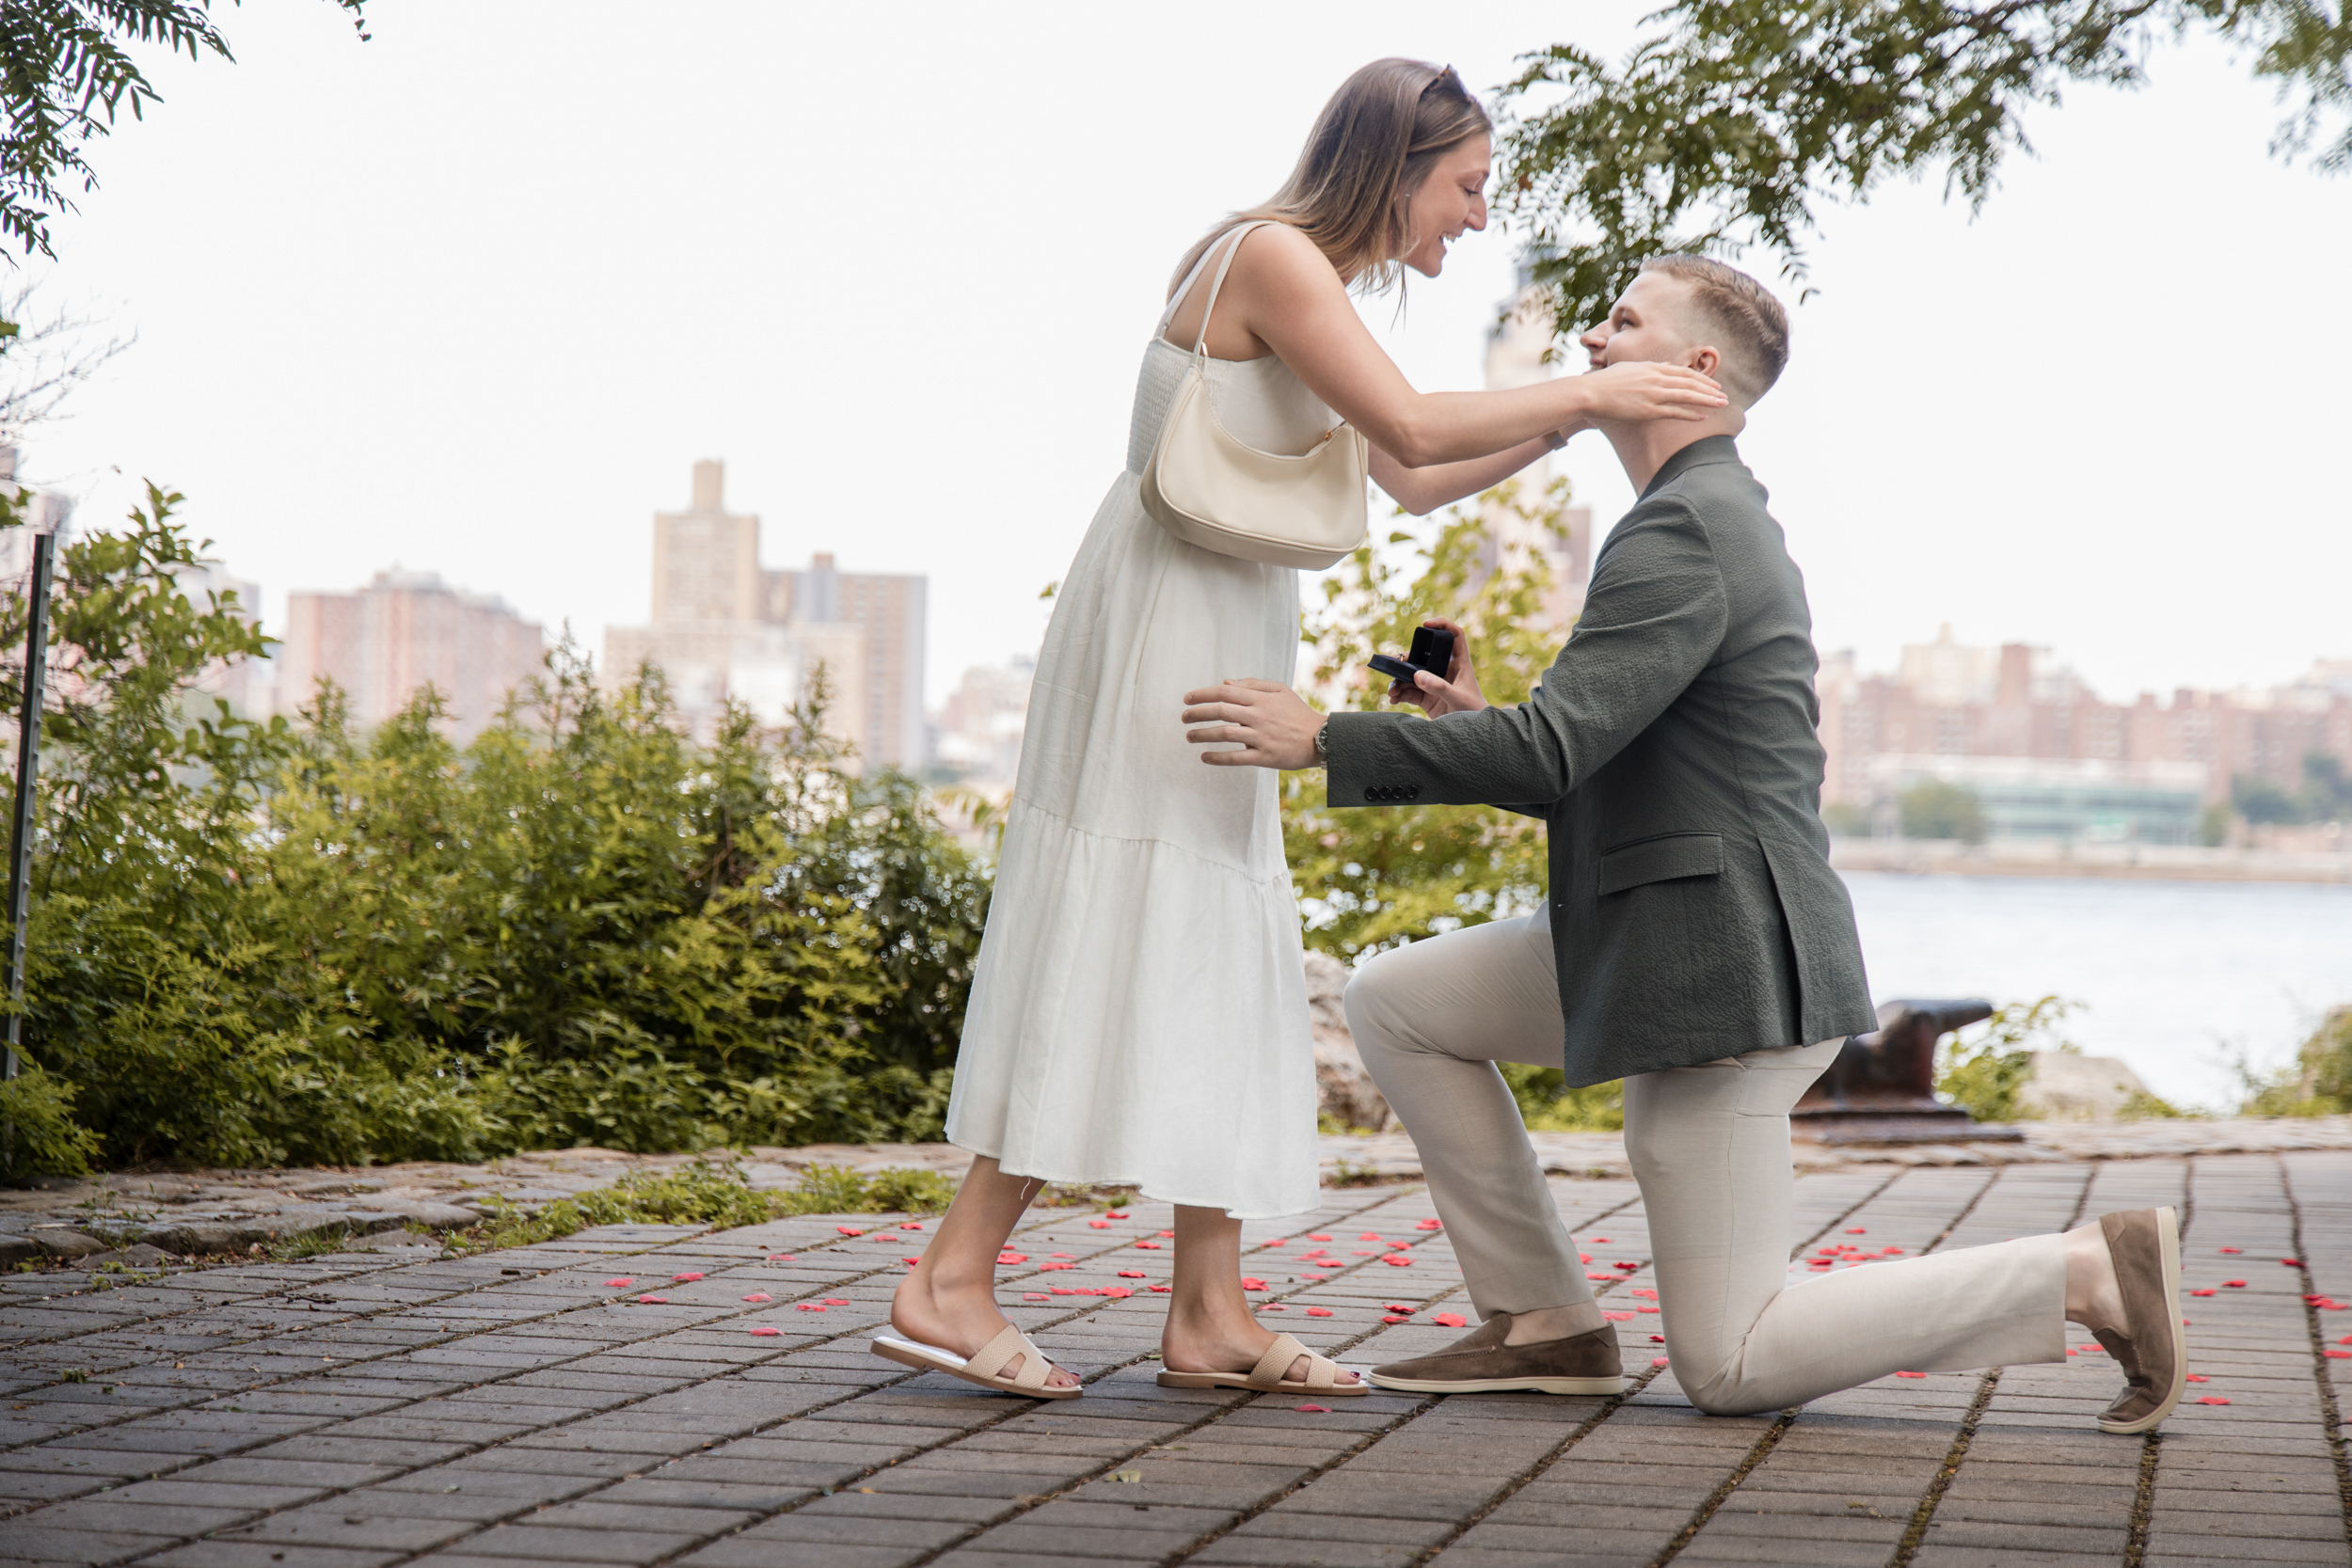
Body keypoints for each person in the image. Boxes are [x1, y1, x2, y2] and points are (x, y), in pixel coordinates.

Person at [1177, 256, 2187, 1433]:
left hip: (1726, 967)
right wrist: (1475, 722)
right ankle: (1542, 1319)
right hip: (1661, 925)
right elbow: (1594, 760)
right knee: (1401, 998)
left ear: (1694, 370)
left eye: (1621, 323)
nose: (1593, 346)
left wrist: (1322, 740)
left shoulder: (1688, 531)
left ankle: (2083, 1273)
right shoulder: (1687, 520)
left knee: (1731, 1360)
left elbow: (1552, 752)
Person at [877, 59, 1728, 1402]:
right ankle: (951, 1274)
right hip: (1172, 620)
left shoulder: (1307, 277)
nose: (1474, 217)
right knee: (1136, 922)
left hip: (1215, 606)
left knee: (1211, 930)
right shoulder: (1273, 257)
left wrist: (1576, 425)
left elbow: (1412, 474)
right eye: (1465, 186)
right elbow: (1404, 421)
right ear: (1396, 163)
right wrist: (1593, 397)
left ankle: (1208, 1308)